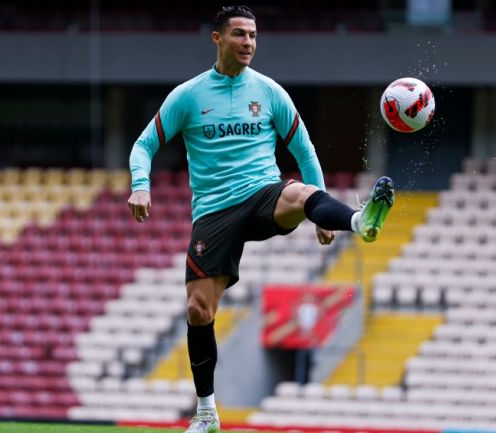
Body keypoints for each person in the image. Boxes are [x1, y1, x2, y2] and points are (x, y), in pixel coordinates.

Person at [127, 6, 395, 433]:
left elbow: (305, 151)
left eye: (253, 35)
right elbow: (143, 145)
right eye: (239, 35)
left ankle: (359, 221)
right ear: (217, 39)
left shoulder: (269, 92)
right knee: (199, 310)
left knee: (303, 194)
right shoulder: (189, 96)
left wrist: (322, 217)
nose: (248, 43)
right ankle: (207, 412)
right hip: (214, 210)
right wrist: (141, 184)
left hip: (263, 193)